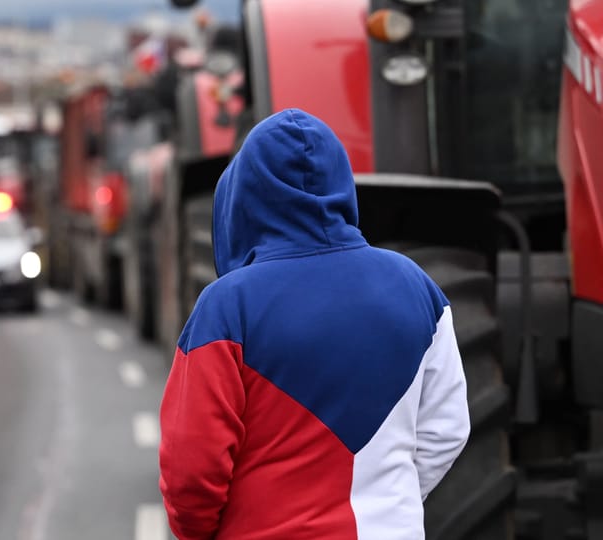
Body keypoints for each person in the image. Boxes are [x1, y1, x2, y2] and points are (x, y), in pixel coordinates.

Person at [158, 109, 470, 539]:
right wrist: (388, 506)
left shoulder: (227, 307)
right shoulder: (417, 287)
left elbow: (191, 468)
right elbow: (446, 429)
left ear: (244, 196)